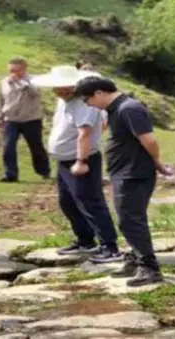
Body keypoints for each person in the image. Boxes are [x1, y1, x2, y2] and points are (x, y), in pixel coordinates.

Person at [74, 75, 169, 287]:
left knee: (131, 220)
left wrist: (157, 162)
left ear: (99, 93)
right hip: (124, 171)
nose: (88, 104)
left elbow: (149, 139)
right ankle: (135, 260)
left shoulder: (129, 109)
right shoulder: (117, 109)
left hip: (133, 172)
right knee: (127, 220)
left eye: (87, 99)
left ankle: (149, 268)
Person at [32, 66, 122, 263]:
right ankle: (85, 240)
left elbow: (85, 133)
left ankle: (110, 246)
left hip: (81, 159)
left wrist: (81, 161)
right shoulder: (63, 100)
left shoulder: (83, 103)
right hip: (65, 160)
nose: (63, 90)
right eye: (59, 87)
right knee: (68, 202)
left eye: (67, 87)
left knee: (90, 202)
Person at [0, 57, 50, 183]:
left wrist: (20, 82)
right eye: (10, 70)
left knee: (36, 146)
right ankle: (11, 174)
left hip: (31, 119)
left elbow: (34, 93)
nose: (13, 73)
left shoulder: (33, 81)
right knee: (8, 146)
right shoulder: (3, 82)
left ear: (24, 69)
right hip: (11, 120)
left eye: (16, 70)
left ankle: (43, 170)